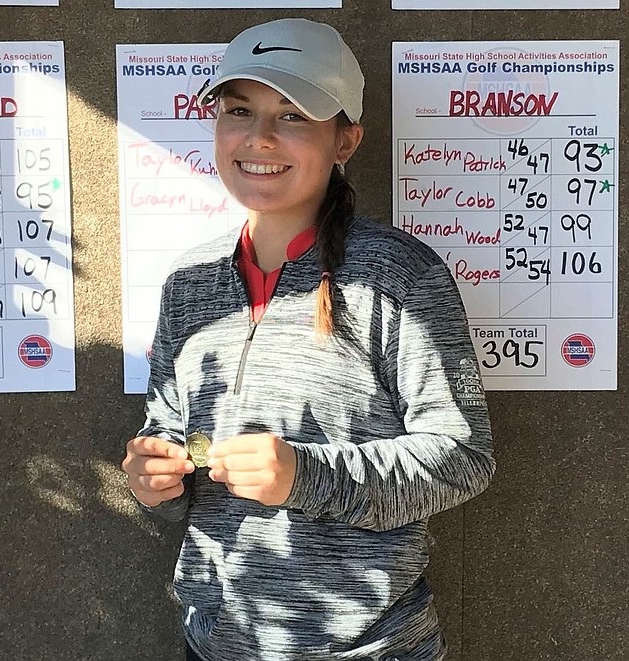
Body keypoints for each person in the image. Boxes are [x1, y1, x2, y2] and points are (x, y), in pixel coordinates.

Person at [122, 18, 495, 661]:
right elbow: (168, 427)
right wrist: (153, 475)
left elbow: (463, 459)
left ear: (345, 139)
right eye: (239, 110)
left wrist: (304, 474)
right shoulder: (188, 283)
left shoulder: (400, 274)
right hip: (214, 646)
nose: (260, 137)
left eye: (293, 115)